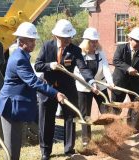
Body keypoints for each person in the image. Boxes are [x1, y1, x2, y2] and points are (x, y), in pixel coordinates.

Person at [0, 22, 67, 160]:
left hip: (15, 105)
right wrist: (55, 93)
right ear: (21, 41)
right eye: (31, 40)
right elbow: (32, 81)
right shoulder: (19, 59)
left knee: (15, 146)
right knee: (12, 148)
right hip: (11, 106)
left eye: (34, 40)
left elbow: (28, 77)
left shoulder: (21, 56)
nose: (34, 43)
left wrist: (41, 80)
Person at [34, 19, 98, 160]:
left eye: (70, 37)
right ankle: (45, 151)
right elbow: (37, 65)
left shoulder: (75, 50)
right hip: (48, 89)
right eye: (66, 38)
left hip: (68, 89)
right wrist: (50, 65)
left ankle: (69, 149)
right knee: (46, 120)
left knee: (70, 118)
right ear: (57, 36)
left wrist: (91, 81)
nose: (69, 40)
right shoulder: (47, 46)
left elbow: (83, 68)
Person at [73, 27, 114, 146]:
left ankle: (111, 136)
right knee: (85, 114)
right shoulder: (79, 54)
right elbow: (80, 72)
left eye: (96, 41)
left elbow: (105, 68)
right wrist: (91, 85)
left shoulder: (100, 53)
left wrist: (110, 82)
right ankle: (87, 141)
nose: (95, 44)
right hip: (84, 87)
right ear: (86, 41)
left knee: (106, 110)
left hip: (100, 86)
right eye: (92, 41)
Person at [111, 27, 139, 133]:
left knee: (137, 104)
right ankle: (113, 129)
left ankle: (134, 129)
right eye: (137, 41)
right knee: (116, 106)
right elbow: (116, 61)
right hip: (120, 81)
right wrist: (128, 68)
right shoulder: (121, 48)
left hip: (135, 83)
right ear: (130, 39)